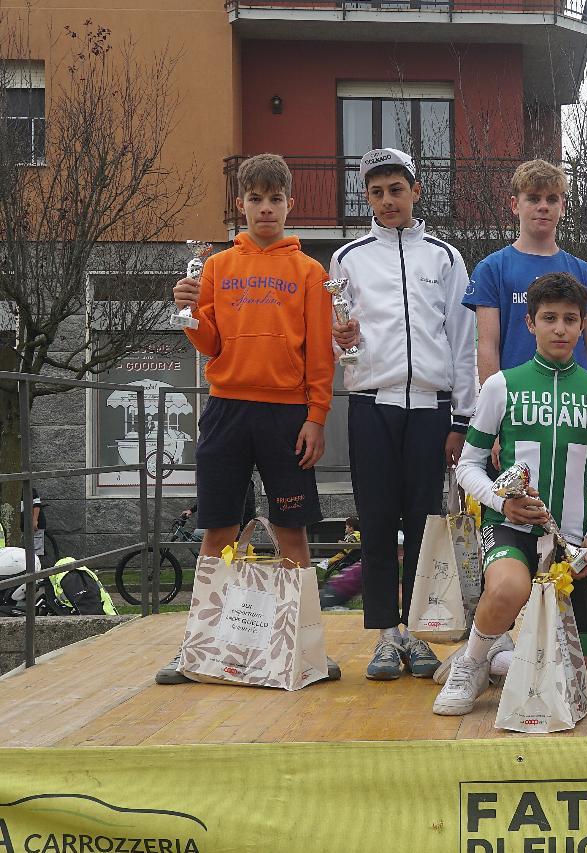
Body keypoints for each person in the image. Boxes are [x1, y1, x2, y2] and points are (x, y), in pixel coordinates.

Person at [158, 153, 337, 685]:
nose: (265, 209)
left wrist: (317, 416)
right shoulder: (216, 267)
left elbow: (320, 354)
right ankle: (197, 650)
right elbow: (210, 343)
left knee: (292, 534)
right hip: (227, 410)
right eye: (255, 199)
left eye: (275, 199)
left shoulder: (310, 272)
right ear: (241, 204)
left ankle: (306, 649)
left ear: (289, 204)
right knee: (218, 530)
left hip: (287, 416)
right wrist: (190, 314)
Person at [440, 272, 587, 716]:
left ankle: (502, 661)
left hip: (572, 542)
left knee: (579, 684)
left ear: (582, 325)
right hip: (510, 527)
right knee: (509, 588)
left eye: (570, 319)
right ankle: (470, 664)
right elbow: (467, 466)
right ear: (530, 323)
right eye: (549, 318)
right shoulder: (500, 385)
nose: (560, 329)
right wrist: (503, 502)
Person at [330, 148, 477, 681]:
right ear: (366, 198)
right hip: (372, 403)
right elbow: (337, 339)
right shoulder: (347, 258)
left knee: (422, 521)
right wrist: (341, 340)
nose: (387, 200)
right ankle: (385, 637)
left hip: (431, 410)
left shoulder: (445, 257)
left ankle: (417, 632)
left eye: (396, 190)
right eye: (376, 192)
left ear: (416, 191)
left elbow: (462, 342)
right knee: (375, 521)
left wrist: (462, 419)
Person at [463, 159, 587, 382]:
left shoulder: (584, 273)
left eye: (552, 199)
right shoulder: (491, 269)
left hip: (574, 398)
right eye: (533, 198)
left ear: (563, 207)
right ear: (515, 205)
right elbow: (488, 347)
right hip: (517, 397)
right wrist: (493, 400)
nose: (543, 206)